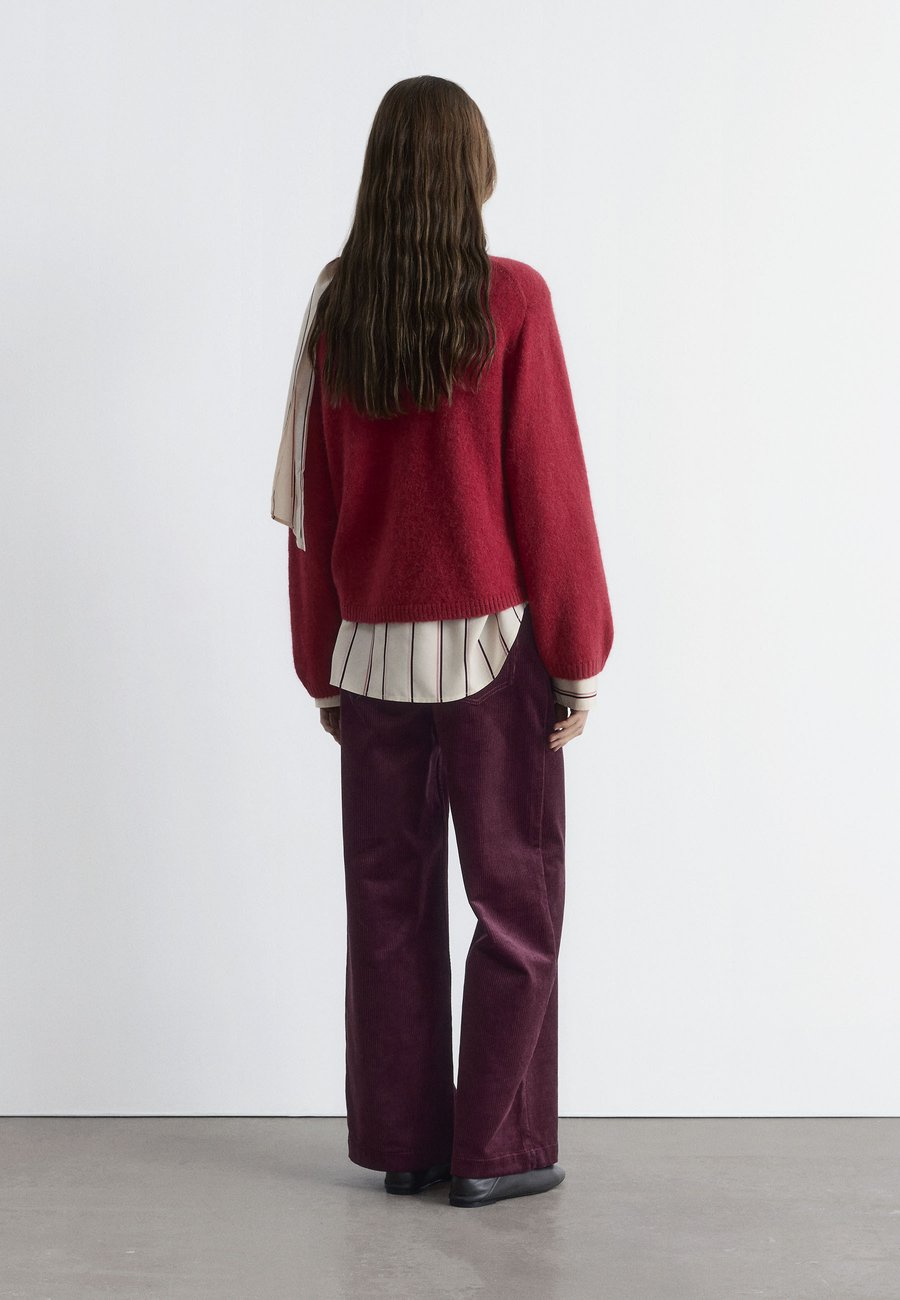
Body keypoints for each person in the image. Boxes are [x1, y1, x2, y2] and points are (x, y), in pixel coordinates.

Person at [271, 75, 614, 1209]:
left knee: (387, 901)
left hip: (371, 655)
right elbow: (548, 490)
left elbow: (311, 504)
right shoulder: (512, 299)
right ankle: (496, 1152)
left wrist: (320, 663)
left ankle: (407, 1145)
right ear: (472, 168)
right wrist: (578, 654)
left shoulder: (337, 307)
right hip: (493, 651)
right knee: (515, 901)